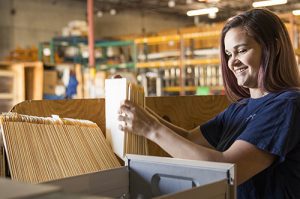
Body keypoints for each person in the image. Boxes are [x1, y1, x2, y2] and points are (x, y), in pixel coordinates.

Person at [118, 8, 300, 198]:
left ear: (275, 48)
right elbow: (188, 140)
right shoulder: (240, 108)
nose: (232, 63)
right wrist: (137, 109)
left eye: (242, 50)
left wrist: (151, 129)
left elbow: (227, 169)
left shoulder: (287, 106)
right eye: (229, 54)